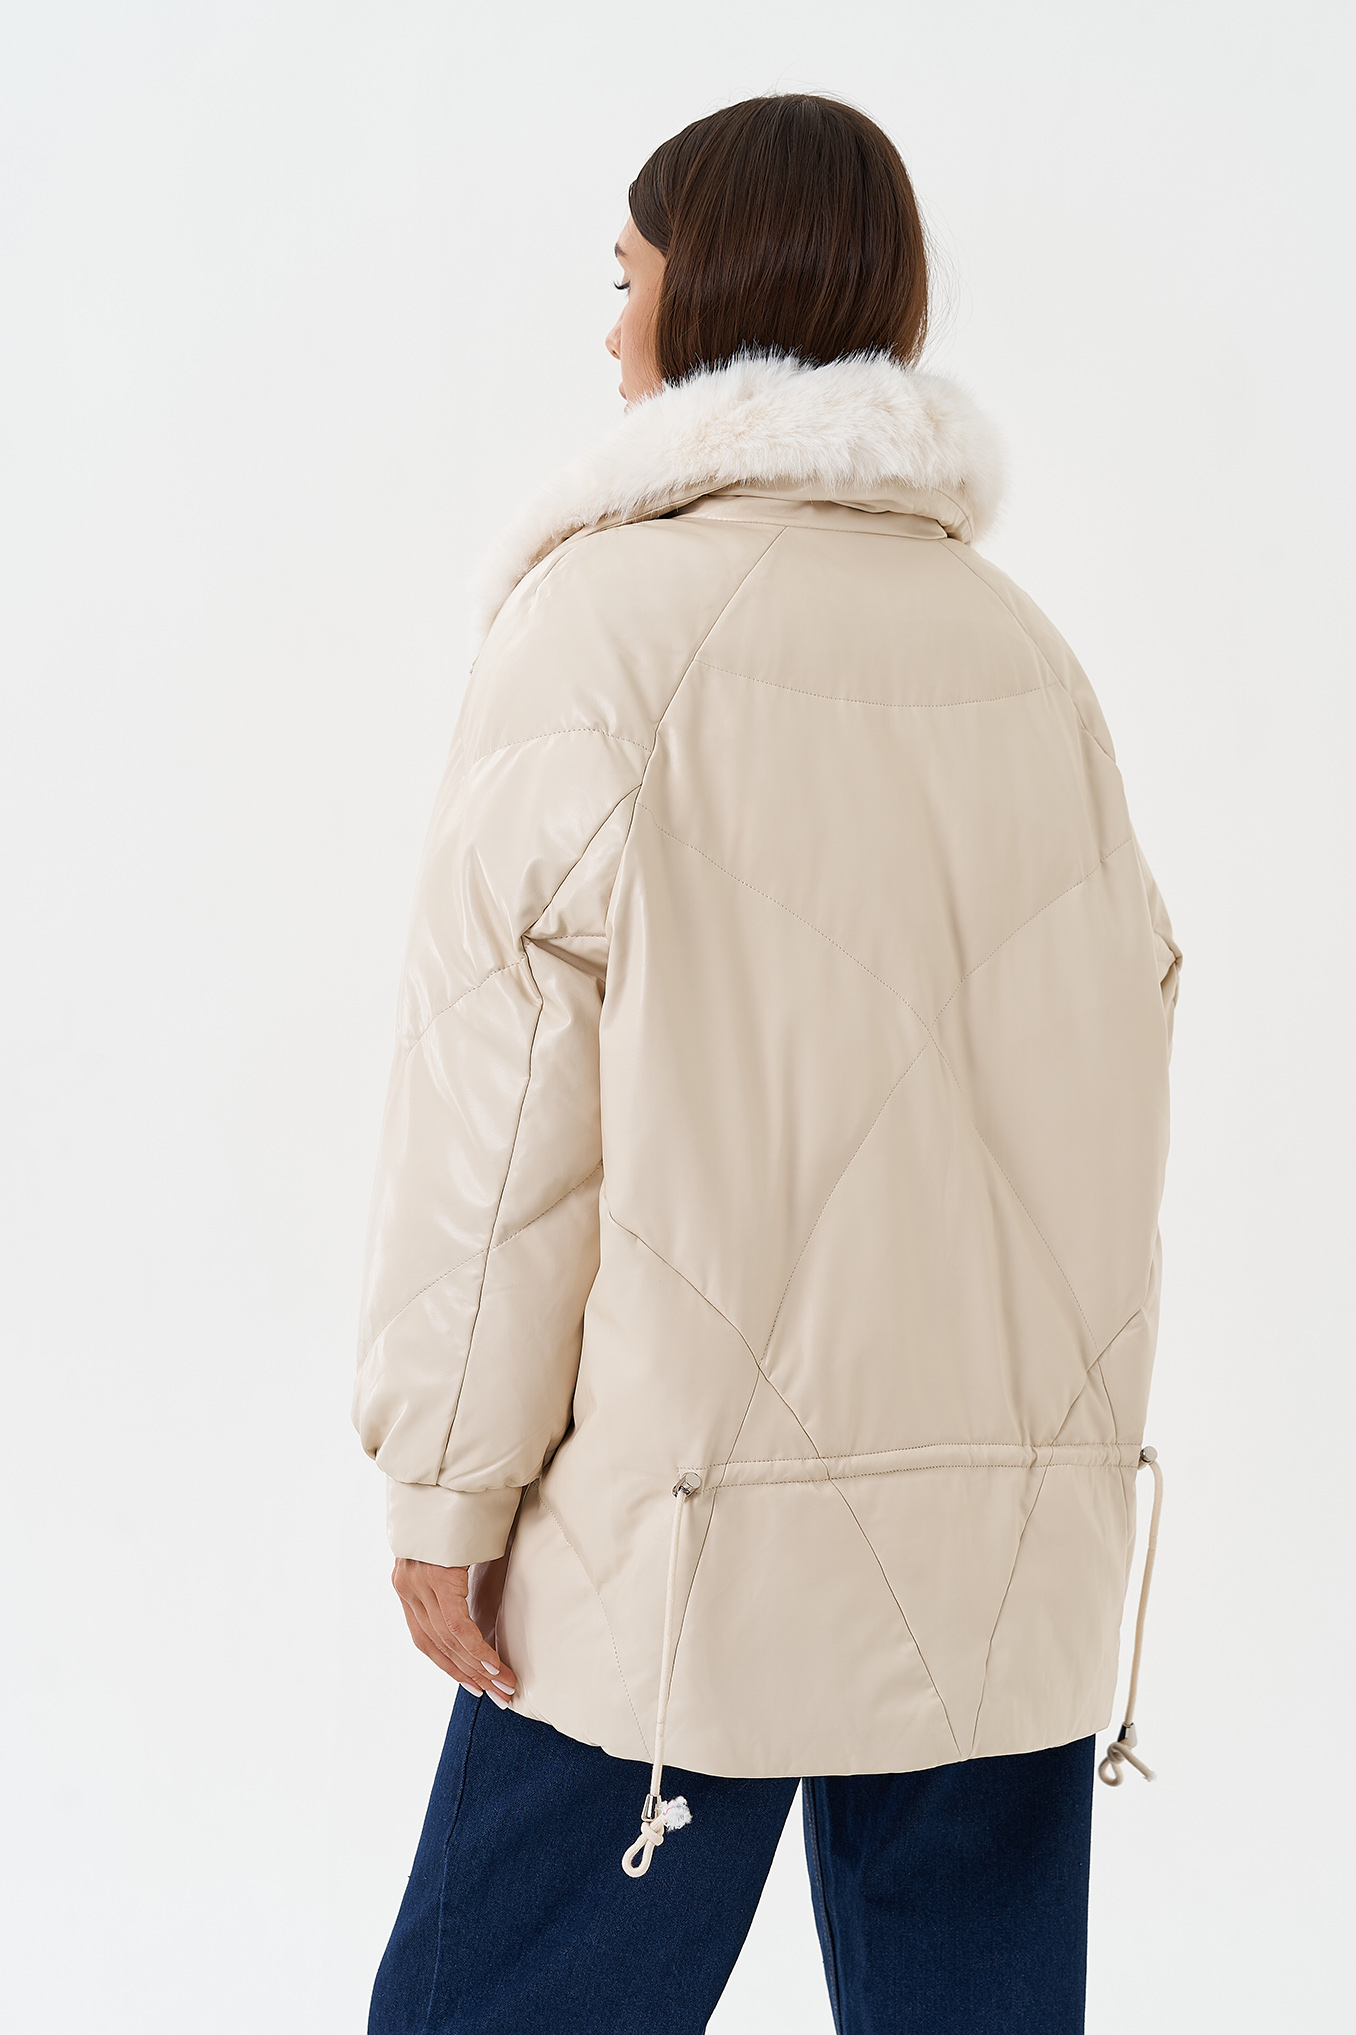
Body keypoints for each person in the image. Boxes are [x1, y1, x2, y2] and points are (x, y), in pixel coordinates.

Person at [353, 92, 1181, 2035]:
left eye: (625, 278)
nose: (610, 333)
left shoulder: (596, 627)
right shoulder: (1028, 657)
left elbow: (504, 1109)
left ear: (709, 290)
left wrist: (449, 1488)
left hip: (677, 1536)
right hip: (1003, 1547)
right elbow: (1122, 1062)